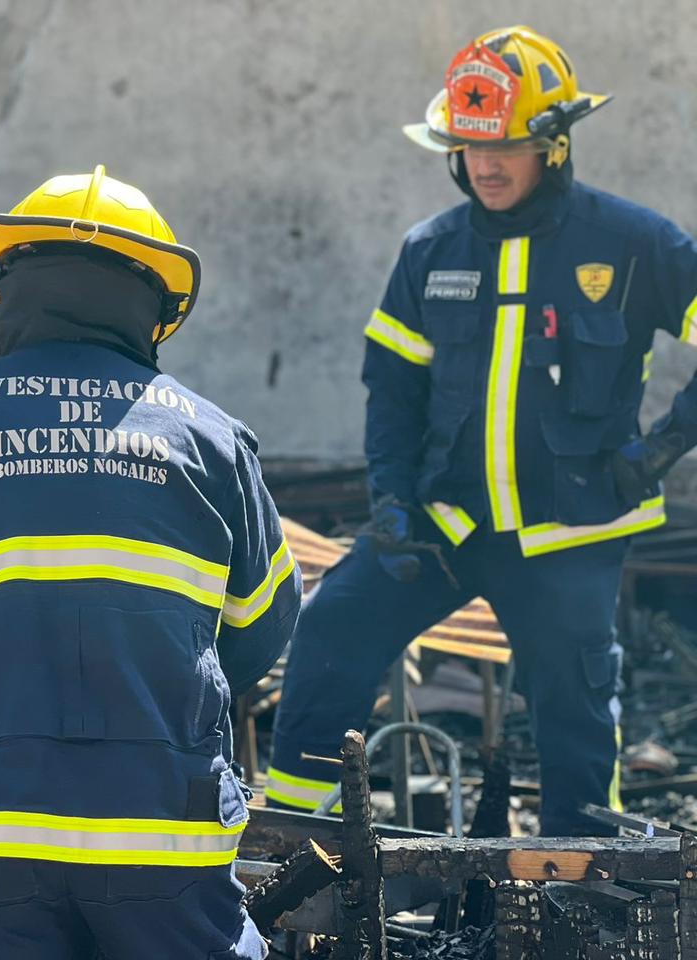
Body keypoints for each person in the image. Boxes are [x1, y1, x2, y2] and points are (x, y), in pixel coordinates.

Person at [0, 165, 301, 958]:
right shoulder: (211, 439)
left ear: (4, 289)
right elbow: (260, 627)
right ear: (155, 307)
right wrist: (162, 706)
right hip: (161, 840)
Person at [270, 26, 697, 837]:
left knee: (574, 709)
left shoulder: (633, 244)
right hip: (444, 523)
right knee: (331, 629)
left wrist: (662, 451)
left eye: (504, 146)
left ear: (555, 143)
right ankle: (299, 854)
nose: (485, 166)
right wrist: (391, 500)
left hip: (571, 530)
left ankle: (585, 879)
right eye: (467, 148)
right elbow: (391, 389)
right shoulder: (429, 251)